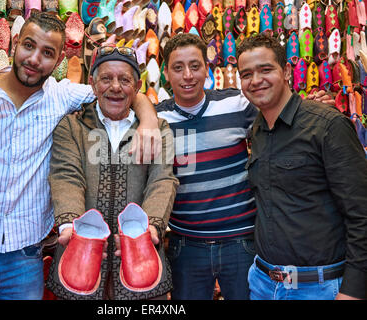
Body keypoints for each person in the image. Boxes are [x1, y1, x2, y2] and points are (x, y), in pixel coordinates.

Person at [0, 12, 160, 300]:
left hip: (22, 261)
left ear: (59, 61)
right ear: (15, 43)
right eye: (29, 46)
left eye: (47, 53)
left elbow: (117, 89)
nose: (34, 59)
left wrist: (147, 119)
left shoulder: (61, 97)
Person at [237, 33, 367, 300]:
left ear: (286, 71)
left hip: (318, 288)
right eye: (246, 74)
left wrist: (352, 291)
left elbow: (362, 214)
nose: (256, 80)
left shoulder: (327, 126)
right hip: (262, 283)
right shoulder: (258, 129)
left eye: (265, 69)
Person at [45, 46, 178, 300]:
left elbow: (162, 179)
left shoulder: (157, 128)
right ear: (93, 84)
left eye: (124, 80)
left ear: (137, 86)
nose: (115, 87)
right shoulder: (71, 126)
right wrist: (70, 224)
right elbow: (66, 175)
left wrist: (151, 226)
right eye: (106, 79)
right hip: (79, 258)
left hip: (143, 258)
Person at [156, 33, 258, 300]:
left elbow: (279, 113)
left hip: (241, 242)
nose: (187, 75)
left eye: (195, 65)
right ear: (166, 73)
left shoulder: (237, 105)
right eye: (178, 68)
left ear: (207, 68)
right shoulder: (156, 119)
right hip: (186, 245)